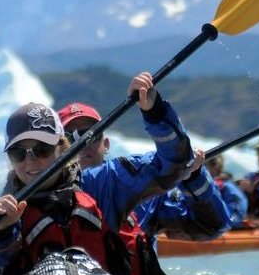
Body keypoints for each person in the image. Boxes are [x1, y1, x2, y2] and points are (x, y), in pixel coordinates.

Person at [0, 72, 195, 275]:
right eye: (18, 153)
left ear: (62, 148)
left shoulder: (103, 183)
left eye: (42, 150)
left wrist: (154, 111)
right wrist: (1, 232)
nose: (31, 161)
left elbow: (175, 163)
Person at [58, 101, 239, 258]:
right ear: (56, 149)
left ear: (106, 145)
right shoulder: (45, 196)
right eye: (70, 138)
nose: (82, 144)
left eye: (91, 135)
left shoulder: (146, 194)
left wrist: (194, 177)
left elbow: (212, 226)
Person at [202, 151, 249, 225]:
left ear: (215, 168)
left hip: (226, 229)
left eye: (204, 166)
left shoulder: (229, 188)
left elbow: (235, 216)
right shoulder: (201, 186)